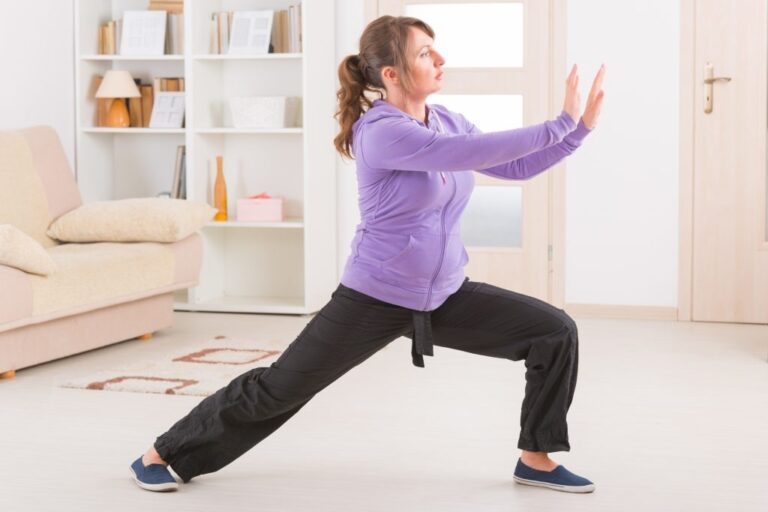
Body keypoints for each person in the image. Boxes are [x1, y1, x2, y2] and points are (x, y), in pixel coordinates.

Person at [130, 15, 605, 495]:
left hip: (443, 294)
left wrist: (578, 131)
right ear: (391, 74)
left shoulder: (445, 120)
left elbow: (514, 166)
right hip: (375, 296)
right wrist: (559, 124)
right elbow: (471, 151)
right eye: (425, 53)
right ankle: (163, 453)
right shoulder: (381, 131)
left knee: (554, 332)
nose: (440, 59)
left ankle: (536, 458)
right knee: (279, 389)